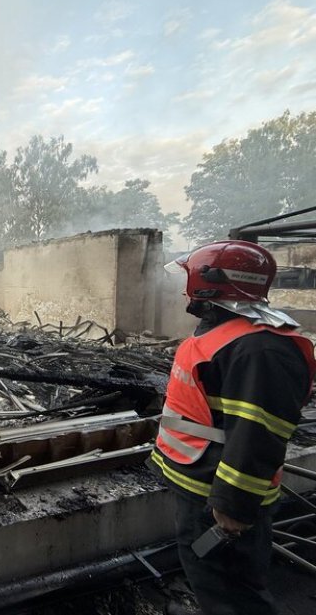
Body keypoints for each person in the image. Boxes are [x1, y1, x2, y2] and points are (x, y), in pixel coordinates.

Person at [150, 240, 315, 615]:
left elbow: (258, 435)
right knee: (209, 579)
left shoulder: (260, 349)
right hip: (199, 484)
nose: (185, 289)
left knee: (232, 596)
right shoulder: (228, 334)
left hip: (217, 500)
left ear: (210, 285)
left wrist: (232, 508)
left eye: (190, 279)